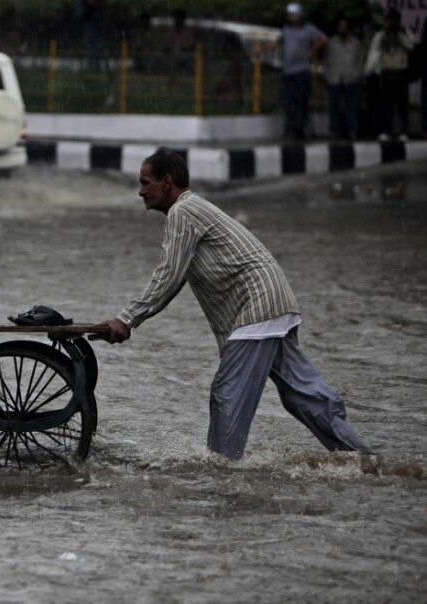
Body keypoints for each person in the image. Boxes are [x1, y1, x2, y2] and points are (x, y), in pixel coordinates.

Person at [98, 149, 372, 460]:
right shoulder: (193, 211)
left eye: (145, 182)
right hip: (274, 301)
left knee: (226, 395)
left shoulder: (183, 213)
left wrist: (127, 317)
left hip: (256, 308)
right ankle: (365, 461)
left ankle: (222, 472)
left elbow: (169, 275)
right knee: (303, 397)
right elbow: (175, 278)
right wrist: (131, 318)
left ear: (167, 182)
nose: (140, 191)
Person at [275, 3, 326, 140]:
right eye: (289, 14)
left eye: (292, 14)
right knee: (288, 101)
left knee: (301, 101)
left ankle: (299, 129)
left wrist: (311, 51)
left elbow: (322, 38)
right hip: (288, 71)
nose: (290, 16)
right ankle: (290, 128)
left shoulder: (308, 29)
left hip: (301, 71)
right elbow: (278, 42)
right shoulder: (286, 30)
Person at [365, 9, 416, 141]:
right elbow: (374, 53)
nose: (389, 23)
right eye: (387, 20)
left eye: (392, 21)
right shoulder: (381, 35)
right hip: (387, 73)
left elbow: (412, 45)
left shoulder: (404, 33)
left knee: (402, 105)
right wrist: (368, 71)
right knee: (386, 105)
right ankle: (386, 131)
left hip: (401, 73)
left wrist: (399, 34)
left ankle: (403, 132)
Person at [325, 16, 363, 139]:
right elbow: (326, 60)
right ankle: (333, 131)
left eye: (345, 26)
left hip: (350, 79)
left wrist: (357, 74)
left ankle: (353, 130)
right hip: (334, 78)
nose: (342, 28)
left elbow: (360, 60)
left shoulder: (355, 43)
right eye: (340, 26)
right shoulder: (331, 42)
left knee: (351, 106)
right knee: (333, 106)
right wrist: (328, 75)